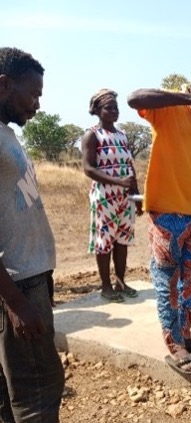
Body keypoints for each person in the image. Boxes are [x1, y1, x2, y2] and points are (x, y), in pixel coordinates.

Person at [127, 61, 191, 375]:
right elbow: (134, 97)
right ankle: (174, 346)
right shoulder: (169, 108)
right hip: (166, 212)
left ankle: (186, 336)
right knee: (167, 282)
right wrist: (187, 100)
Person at [0, 47, 65, 421]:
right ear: (4, 85)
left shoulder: (5, 133)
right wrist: (15, 302)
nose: (37, 105)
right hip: (17, 285)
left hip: (28, 281)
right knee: (38, 392)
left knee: (16, 394)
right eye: (34, 94)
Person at [82, 89, 143, 303]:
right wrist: (119, 182)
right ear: (97, 110)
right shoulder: (92, 135)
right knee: (104, 241)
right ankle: (106, 287)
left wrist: (136, 195)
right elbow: (88, 169)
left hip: (125, 197)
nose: (114, 111)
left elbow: (129, 166)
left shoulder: (122, 135)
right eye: (109, 107)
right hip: (104, 197)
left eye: (116, 108)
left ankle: (121, 281)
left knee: (122, 239)